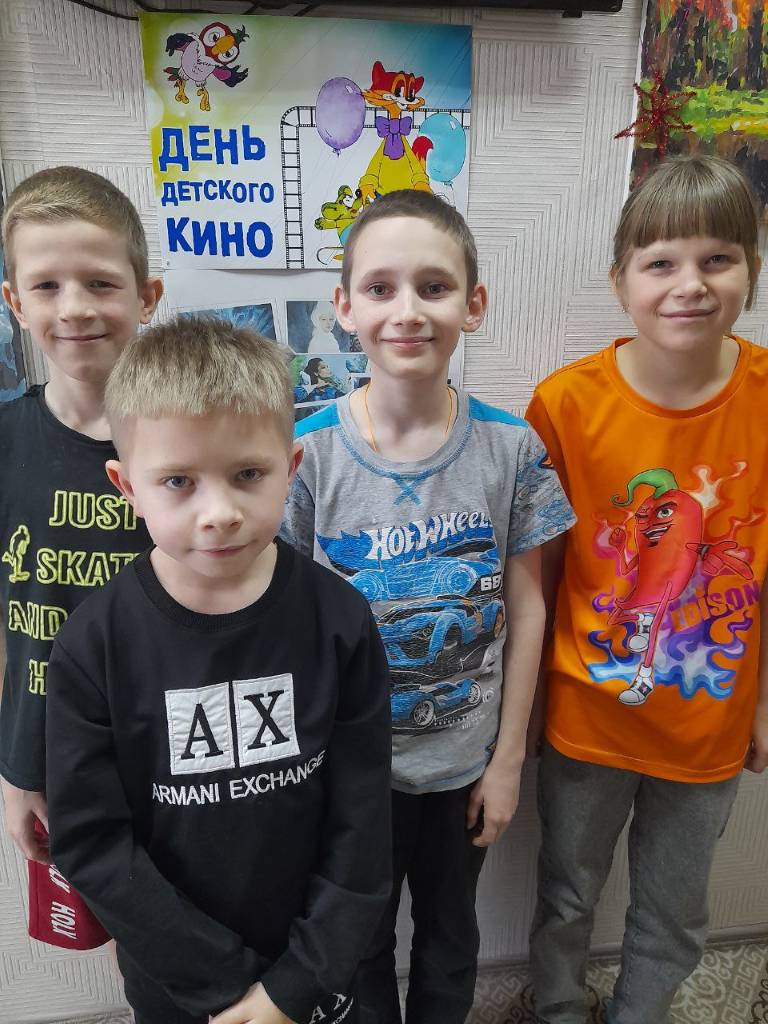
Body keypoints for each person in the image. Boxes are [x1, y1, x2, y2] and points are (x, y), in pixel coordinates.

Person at [45, 316, 392, 1024]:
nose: (219, 513)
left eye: (247, 475)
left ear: (291, 467)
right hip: (180, 986)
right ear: (126, 485)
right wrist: (226, 988)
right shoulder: (92, 643)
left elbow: (362, 820)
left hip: (318, 973)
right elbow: (92, 841)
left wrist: (293, 986)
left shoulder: (340, 619)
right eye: (178, 481)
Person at [281, 190, 575, 1024]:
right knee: (359, 942)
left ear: (472, 305)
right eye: (380, 288)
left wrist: (508, 759)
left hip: (465, 764)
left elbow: (528, 609)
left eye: (434, 287)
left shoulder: (510, 448)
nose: (407, 310)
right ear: (343, 307)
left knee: (450, 938)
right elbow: (285, 624)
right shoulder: (307, 453)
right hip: (351, 772)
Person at [526, 155, 768, 1024]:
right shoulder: (566, 405)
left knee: (675, 912)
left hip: (709, 723)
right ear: (620, 279)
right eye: (661, 262)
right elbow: (537, 577)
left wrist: (762, 704)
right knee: (565, 891)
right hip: (586, 715)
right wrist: (522, 716)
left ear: (752, 267)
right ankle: (556, 1008)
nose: (690, 284)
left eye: (718, 258)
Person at [0, 167, 162, 924]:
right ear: (15, 302)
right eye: (46, 286)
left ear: (147, 296)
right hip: (58, 757)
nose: (74, 308)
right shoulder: (6, 443)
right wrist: (14, 768)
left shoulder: (192, 441)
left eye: (100, 283)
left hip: (179, 748)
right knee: (122, 939)